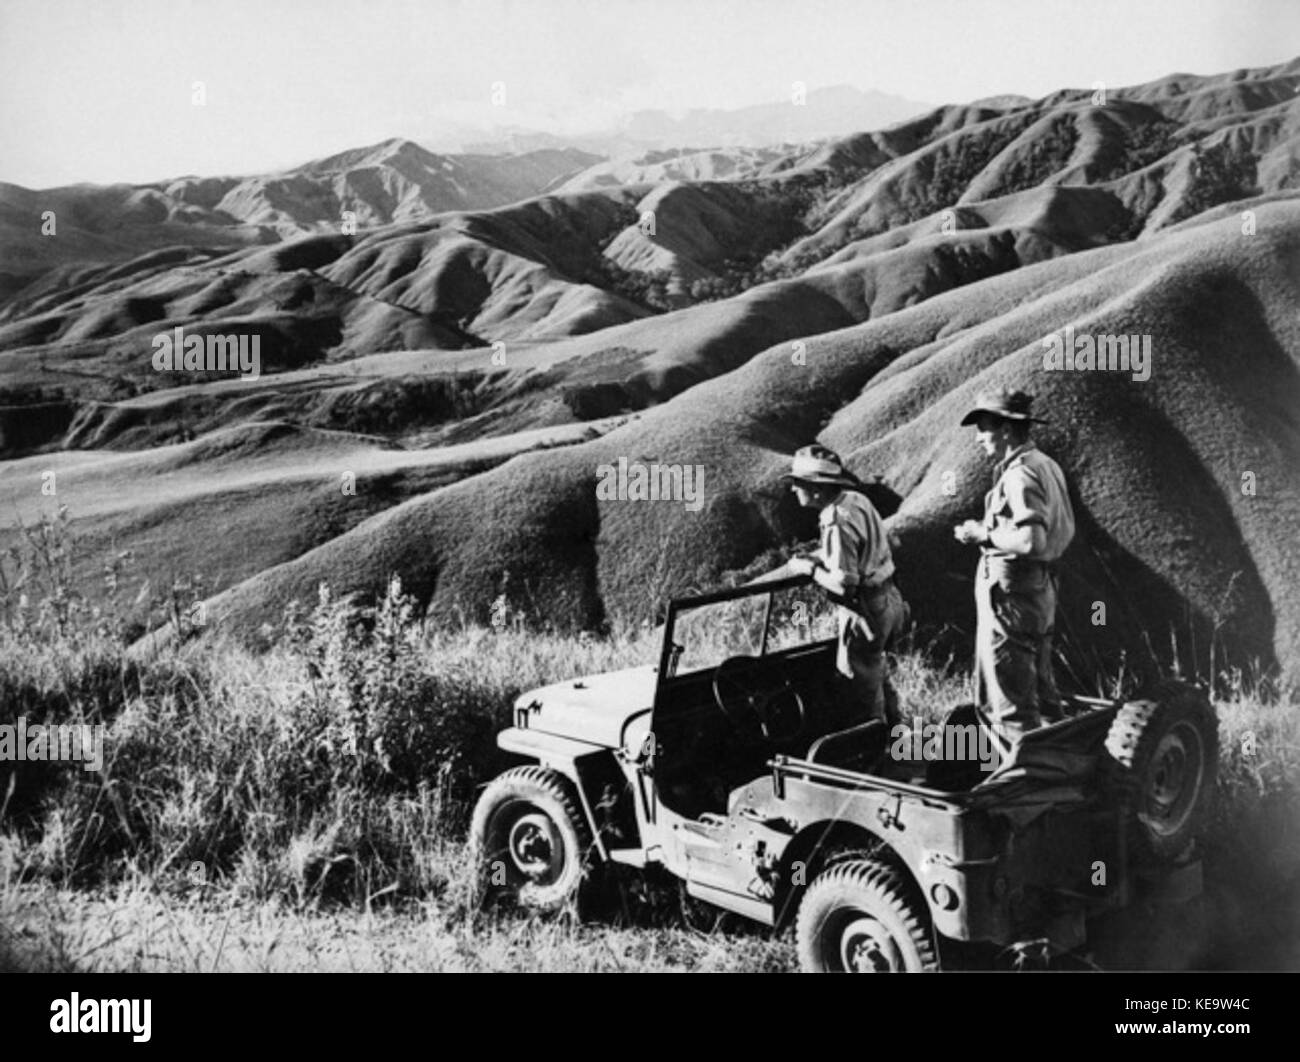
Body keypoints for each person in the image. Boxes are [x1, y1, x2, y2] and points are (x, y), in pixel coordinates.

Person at [953, 388, 1075, 746]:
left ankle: (1022, 790)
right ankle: (1061, 769)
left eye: (984, 428)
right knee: (1042, 692)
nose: (978, 439)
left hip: (1011, 597)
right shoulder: (1045, 464)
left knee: (1008, 703)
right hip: (1038, 590)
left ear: (1006, 430)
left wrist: (982, 534)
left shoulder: (1019, 475)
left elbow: (1029, 541)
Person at [779, 444, 909, 726]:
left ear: (817, 489)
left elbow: (843, 585)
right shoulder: (855, 500)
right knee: (878, 673)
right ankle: (898, 734)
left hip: (865, 610)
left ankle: (875, 750)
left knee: (859, 684)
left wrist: (810, 568)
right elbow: (867, 547)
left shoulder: (835, 521)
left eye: (799, 484)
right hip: (889, 597)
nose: (793, 490)